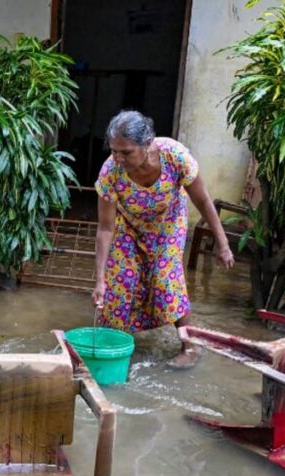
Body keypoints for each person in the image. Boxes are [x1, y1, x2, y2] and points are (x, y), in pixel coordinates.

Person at [92, 110, 234, 369]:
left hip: (168, 224)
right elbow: (105, 228)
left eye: (126, 152)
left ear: (147, 144)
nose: (118, 158)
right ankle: (118, 345)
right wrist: (100, 279)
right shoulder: (110, 171)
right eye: (114, 151)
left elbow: (203, 202)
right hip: (128, 226)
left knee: (165, 279)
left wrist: (222, 243)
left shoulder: (175, 157)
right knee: (120, 283)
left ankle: (189, 346)